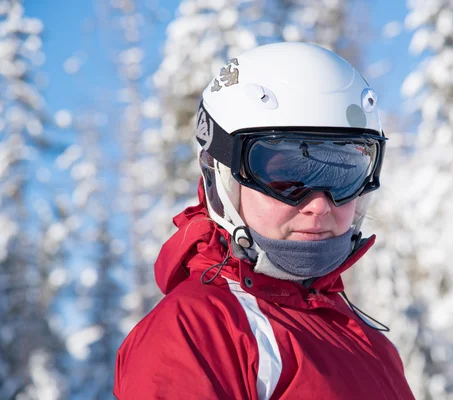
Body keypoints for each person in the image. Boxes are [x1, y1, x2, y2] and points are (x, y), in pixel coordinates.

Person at [113, 42, 415, 400]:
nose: (318, 205)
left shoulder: (369, 344)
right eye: (287, 176)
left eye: (341, 174)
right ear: (223, 179)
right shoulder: (196, 333)